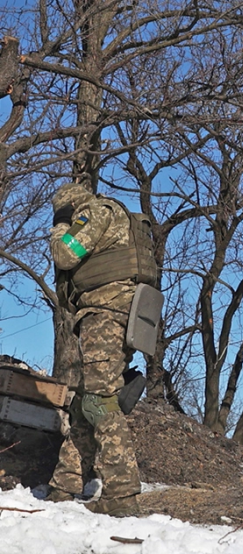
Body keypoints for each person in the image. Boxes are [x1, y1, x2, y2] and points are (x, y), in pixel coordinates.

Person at [45, 182, 157, 517]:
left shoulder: (93, 213)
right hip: (124, 311)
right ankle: (64, 485)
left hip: (106, 311)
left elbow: (65, 253)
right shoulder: (117, 216)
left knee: (99, 400)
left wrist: (61, 226)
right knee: (85, 401)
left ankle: (122, 496)